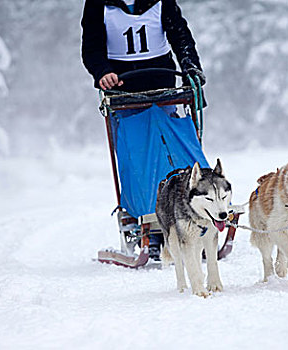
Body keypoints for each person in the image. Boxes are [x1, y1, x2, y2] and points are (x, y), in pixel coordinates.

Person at [81, 0, 206, 260]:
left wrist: (190, 66)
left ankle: (193, 213)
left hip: (162, 80)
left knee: (170, 148)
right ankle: (148, 223)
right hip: (122, 86)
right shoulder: (98, 4)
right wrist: (102, 72)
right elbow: (91, 46)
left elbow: (180, 34)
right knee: (137, 153)